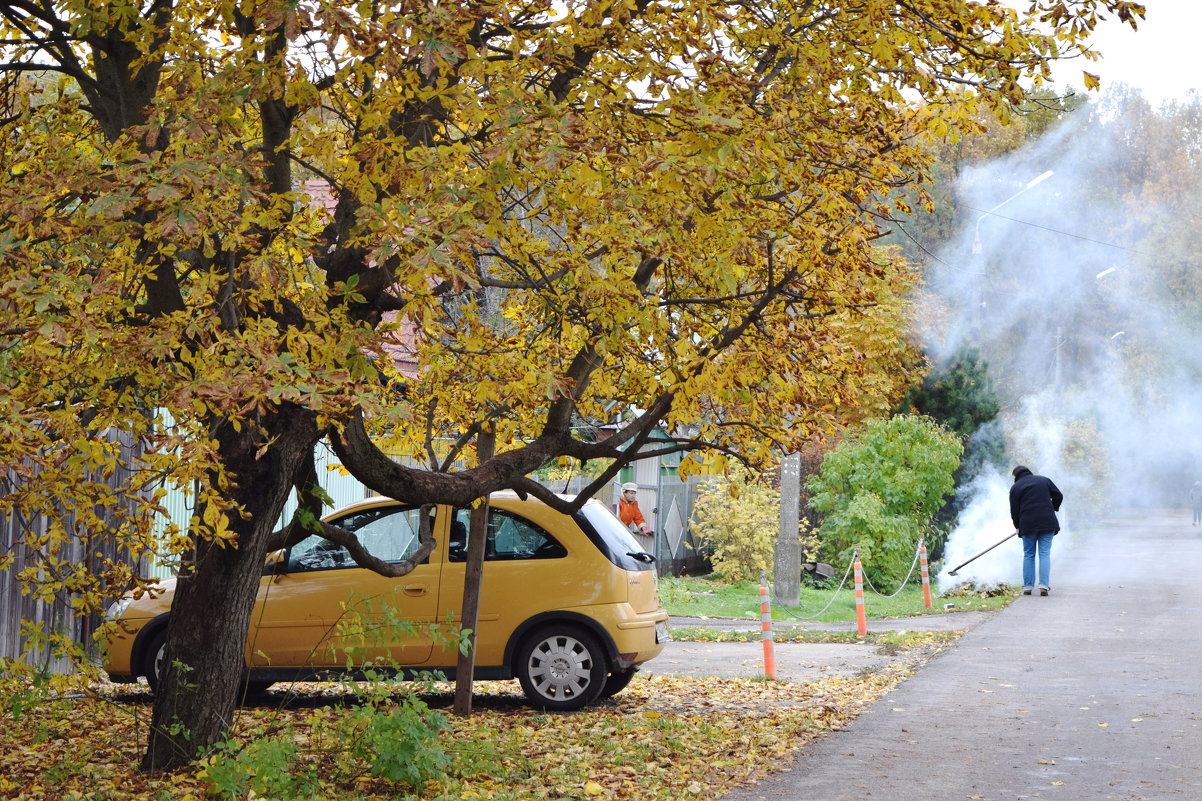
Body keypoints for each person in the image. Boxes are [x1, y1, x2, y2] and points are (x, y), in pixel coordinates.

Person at [1009, 465, 1064, 596]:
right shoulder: (1044, 480)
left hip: (1027, 524)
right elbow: (1059, 496)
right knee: (1044, 554)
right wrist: (1054, 508)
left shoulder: (1016, 488)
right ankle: (1044, 585)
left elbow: (1014, 511)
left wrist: (1017, 526)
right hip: (1047, 522)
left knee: (1029, 554)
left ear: (1016, 476)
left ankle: (1028, 587)